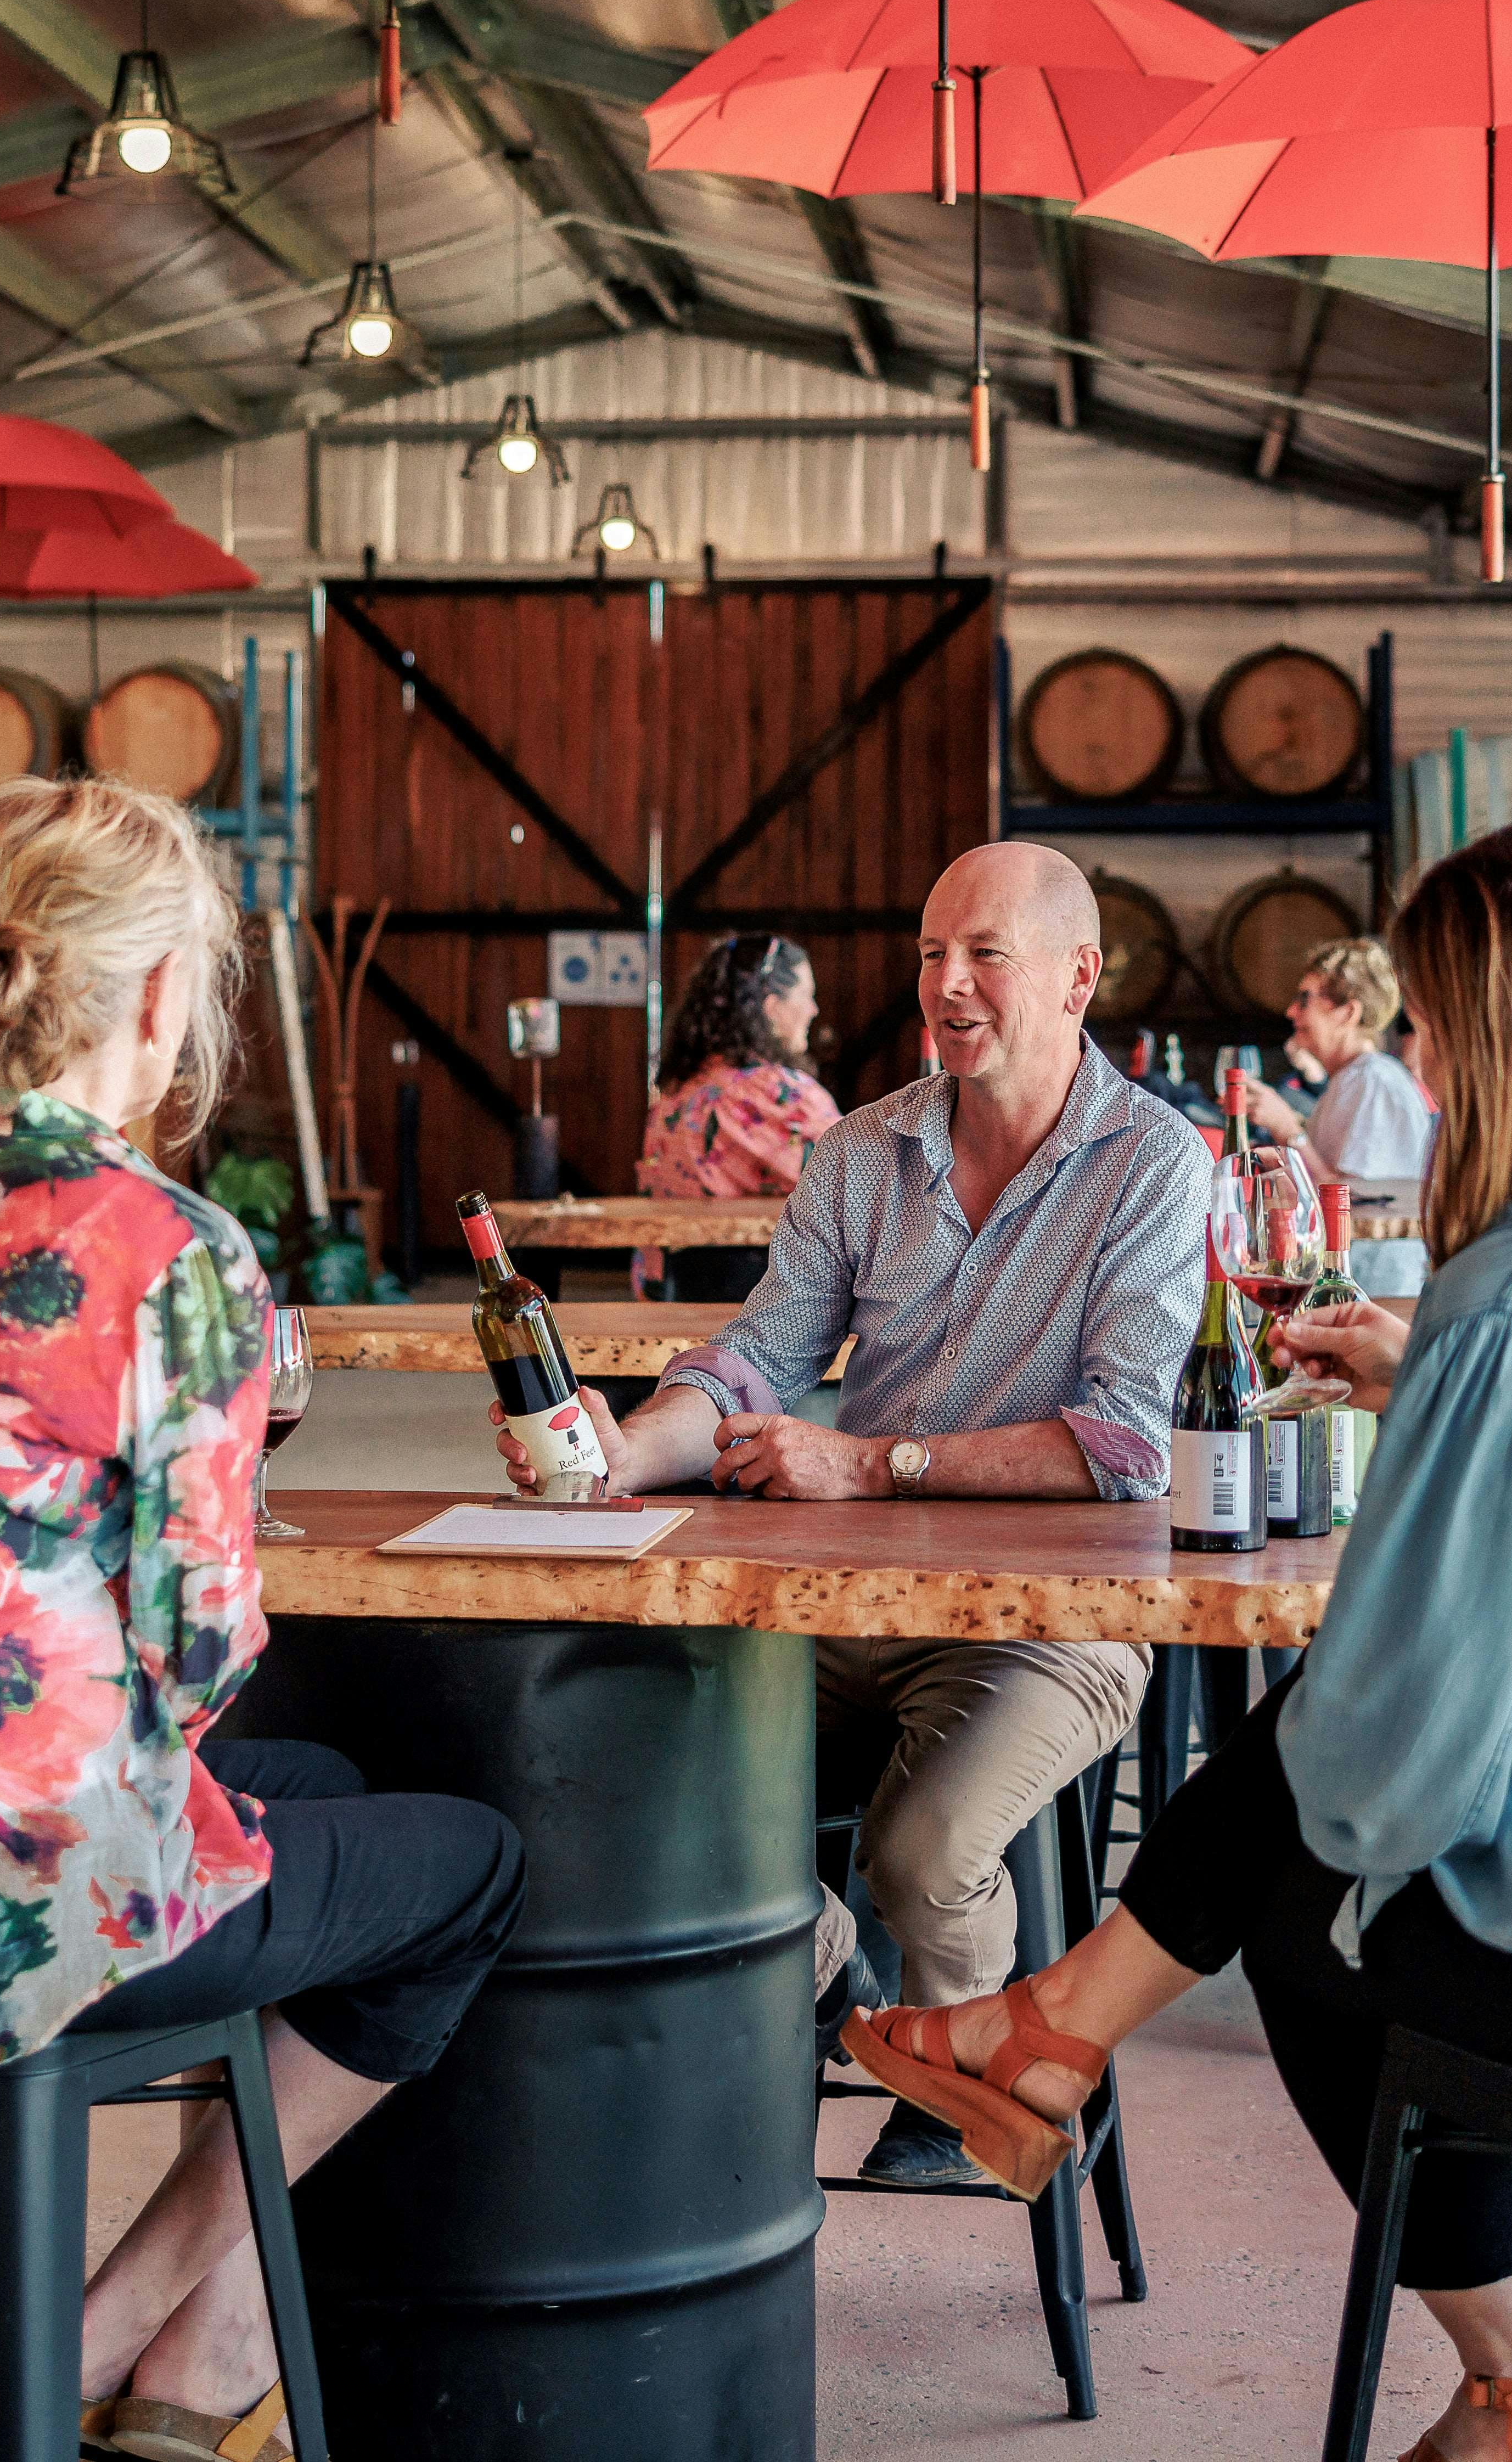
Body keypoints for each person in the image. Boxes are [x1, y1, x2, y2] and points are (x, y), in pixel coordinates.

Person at [842, 825, 1512, 2462]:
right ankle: (1046, 2038)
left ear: (1507, 1044)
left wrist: (1449, 1390)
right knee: (1287, 1776)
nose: (1416, 1064)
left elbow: (1385, 1775)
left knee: (1302, 1894)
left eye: (1427, 1027)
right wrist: (1442, 1373)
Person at [0, 779, 522, 2461]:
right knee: (470, 1872)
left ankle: (158, 2350)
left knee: (338, 1803)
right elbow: (203, 1654)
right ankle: (147, 2345)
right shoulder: (173, 1248)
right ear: (153, 997)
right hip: (23, 1920)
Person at [495, 841, 1209, 2189]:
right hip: (840, 1607)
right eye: (931, 952)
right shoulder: (856, 1151)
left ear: (1076, 977)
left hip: (1047, 1623)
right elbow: (753, 1359)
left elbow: (1123, 1446)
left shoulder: (1156, 1165)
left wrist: (872, 1465)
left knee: (920, 1845)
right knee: (618, 1760)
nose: (944, 985)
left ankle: (977, 2079)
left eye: (983, 955)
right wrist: (621, 1450)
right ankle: (870, 2024)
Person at [633, 932, 840, 1302]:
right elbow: (855, 1184)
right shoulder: (783, 1095)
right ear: (772, 1006)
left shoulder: (676, 1096)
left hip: (673, 1294)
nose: (814, 1010)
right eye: (806, 996)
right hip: (769, 1307)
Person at [1240, 934, 1437, 1191]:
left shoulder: (1375, 1081)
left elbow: (1353, 1201)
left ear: (1347, 1013)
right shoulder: (1352, 1079)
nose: (1291, 1012)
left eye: (1304, 999)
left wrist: (1286, 1127)